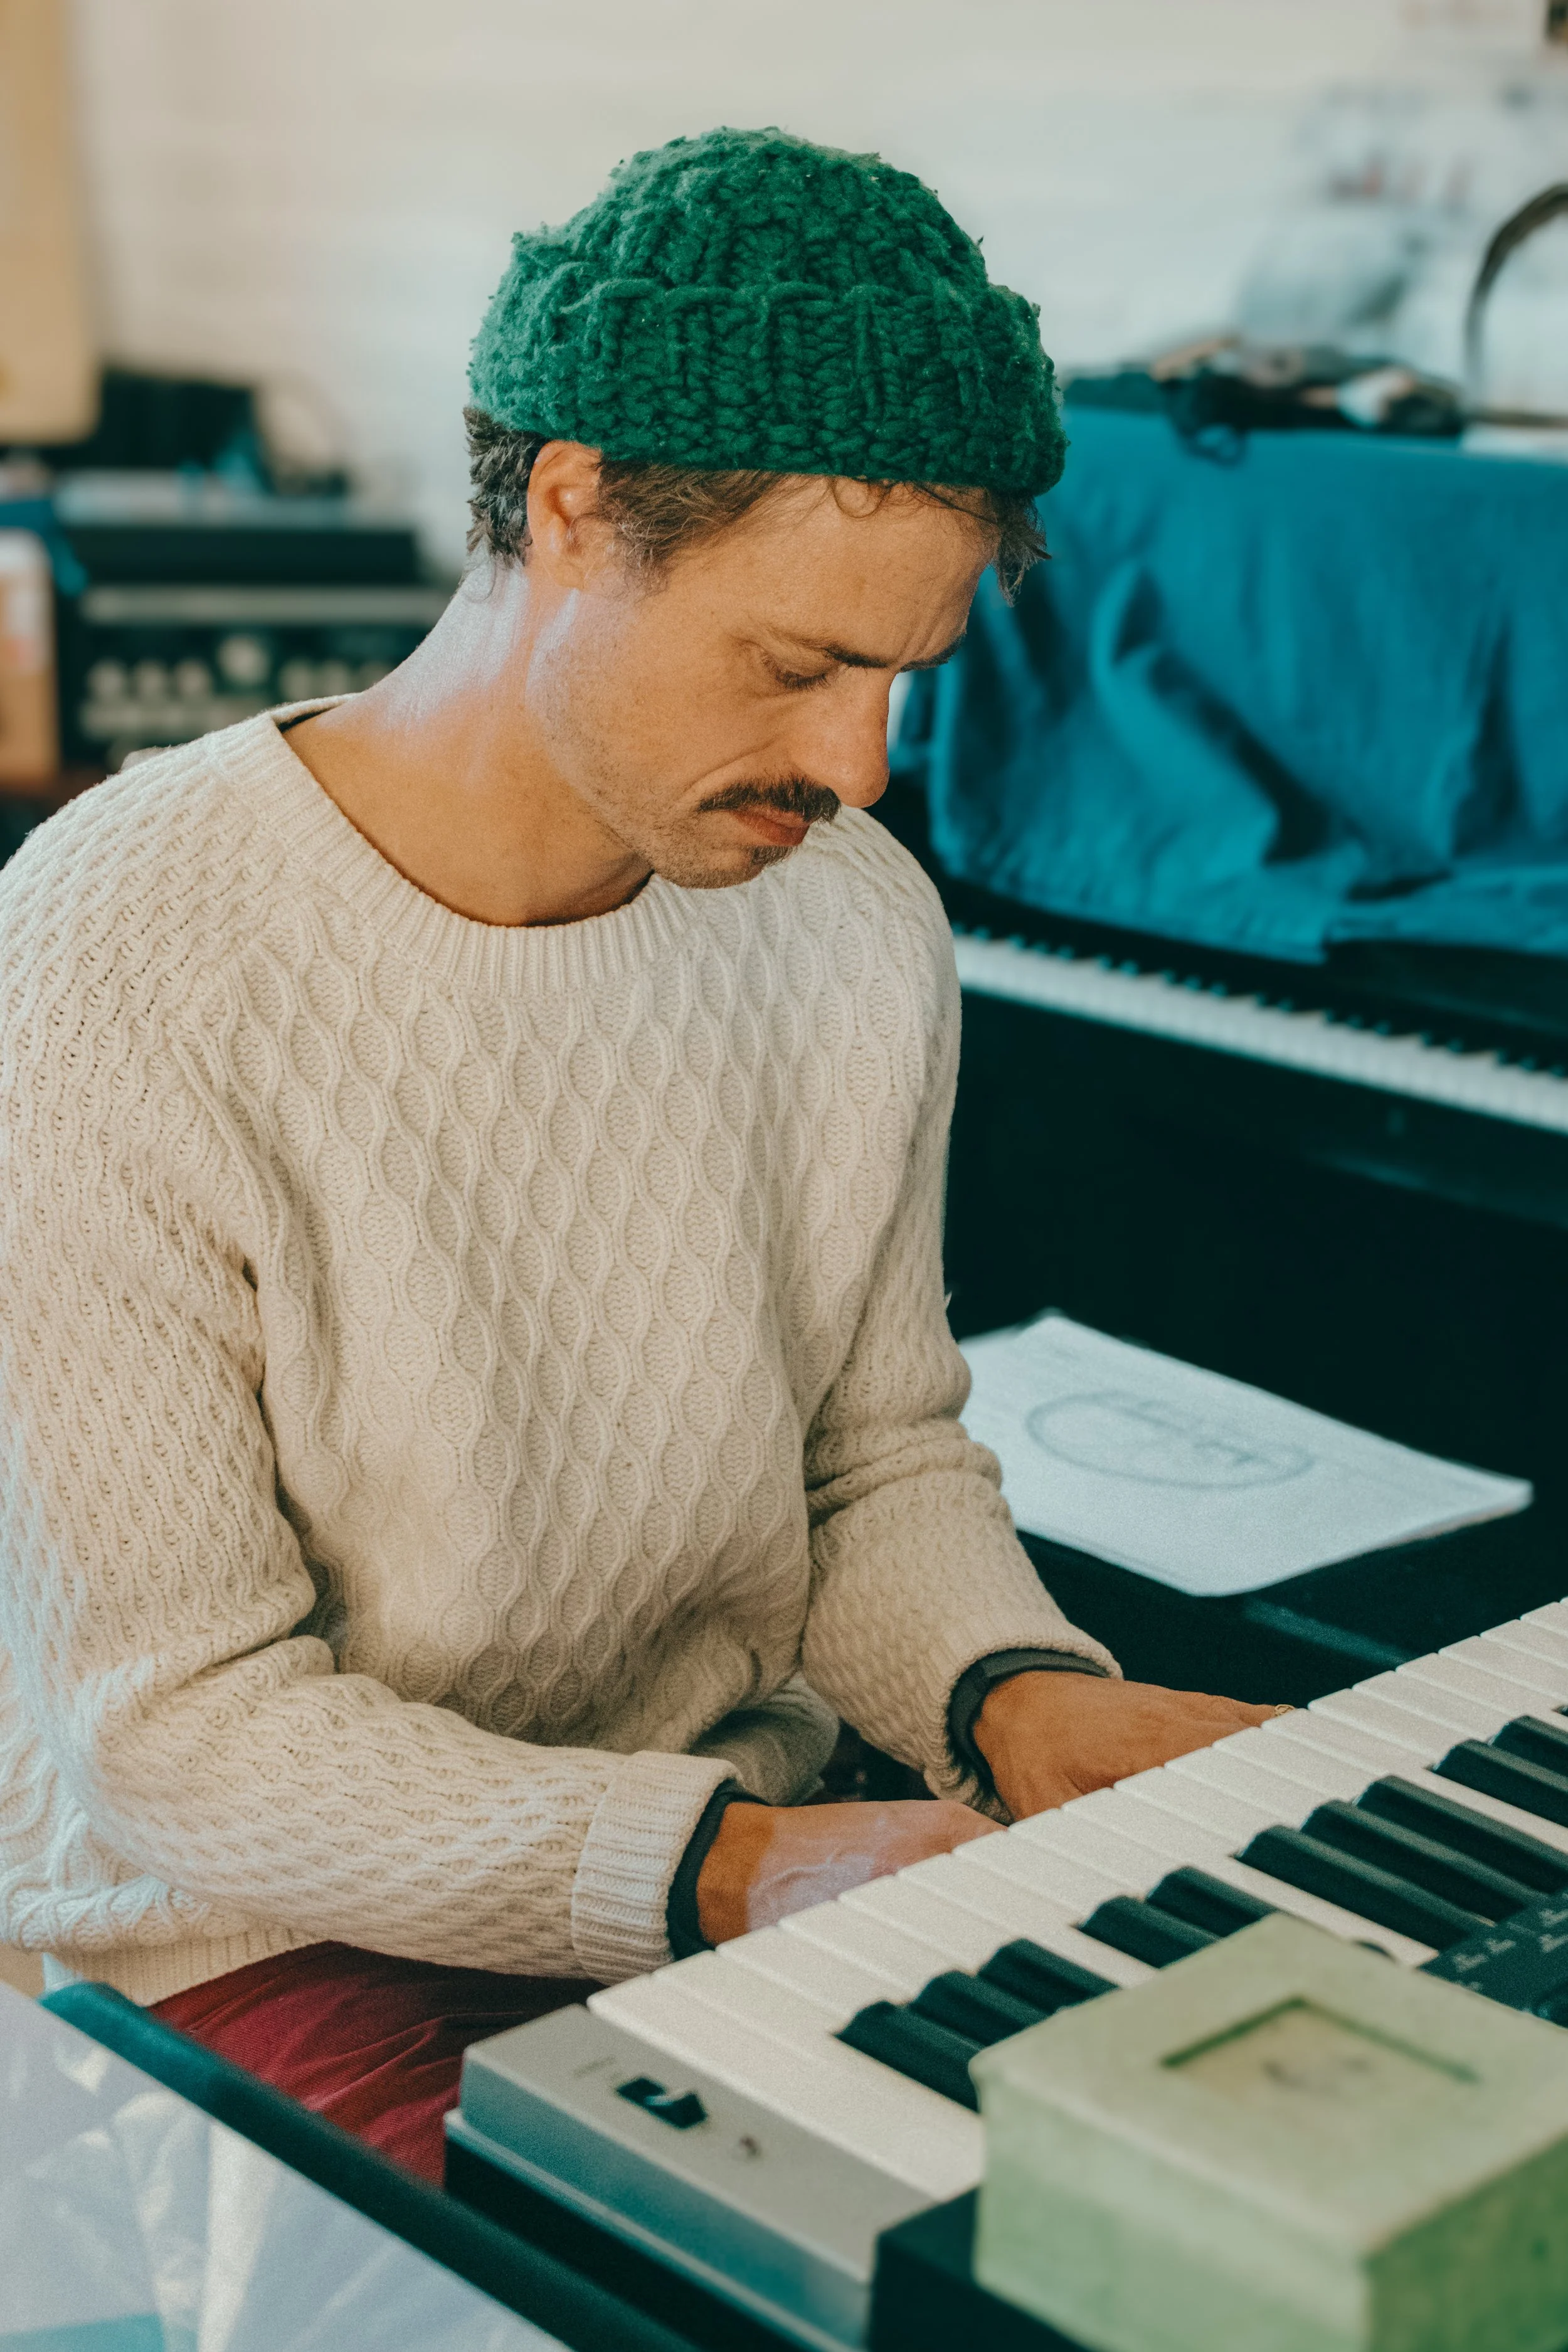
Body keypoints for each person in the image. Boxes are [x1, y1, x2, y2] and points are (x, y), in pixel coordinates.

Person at [0, 128, 1274, 2180]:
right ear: (577, 511)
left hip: (726, 1842)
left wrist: (1009, 1690)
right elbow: (177, 1735)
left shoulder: (849, 916)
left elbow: (871, 1460)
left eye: (902, 679)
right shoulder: (114, 954)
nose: (858, 768)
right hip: (248, 1936)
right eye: (797, 664)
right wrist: (729, 1867)